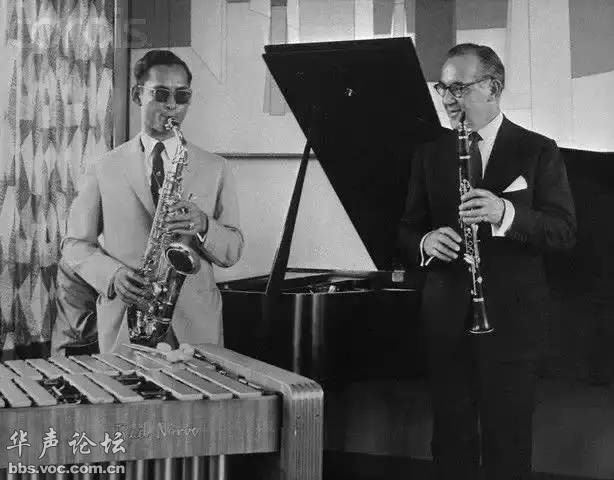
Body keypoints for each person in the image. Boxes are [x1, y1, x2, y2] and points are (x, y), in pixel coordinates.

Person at [398, 43, 576, 480]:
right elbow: (405, 229)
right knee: (451, 439)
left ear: (493, 88)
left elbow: (563, 231)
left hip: (513, 319)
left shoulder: (537, 150)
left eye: (459, 88)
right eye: (443, 88)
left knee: (508, 440)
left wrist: (505, 213)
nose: (448, 99)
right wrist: (425, 241)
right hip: (446, 316)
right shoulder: (430, 154)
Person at [55, 50, 243, 353]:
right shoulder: (103, 167)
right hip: (126, 320)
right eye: (161, 93)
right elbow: (75, 244)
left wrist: (204, 225)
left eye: (182, 96)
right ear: (137, 95)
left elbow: (232, 250)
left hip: (196, 326)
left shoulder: (216, 168)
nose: (172, 105)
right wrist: (113, 276)